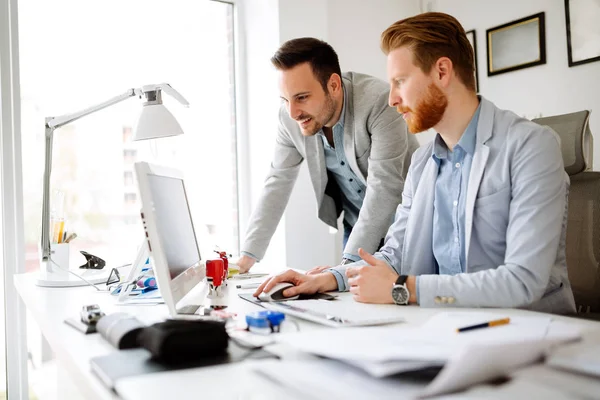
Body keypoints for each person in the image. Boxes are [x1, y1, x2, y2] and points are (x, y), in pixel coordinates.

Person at [254, 13, 576, 315]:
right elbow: (395, 252)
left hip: (526, 333)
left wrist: (404, 288)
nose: (392, 98)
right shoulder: (423, 162)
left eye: (400, 81)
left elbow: (522, 282)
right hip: (448, 326)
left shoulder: (530, 146)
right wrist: (329, 278)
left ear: (442, 72)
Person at [237, 37, 418, 273]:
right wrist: (246, 257)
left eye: (302, 97)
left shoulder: (379, 102)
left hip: (406, 228)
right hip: (356, 229)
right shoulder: (288, 118)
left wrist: (340, 271)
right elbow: (277, 181)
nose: (293, 112)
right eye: (285, 100)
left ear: (333, 85)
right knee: (352, 304)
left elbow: (385, 187)